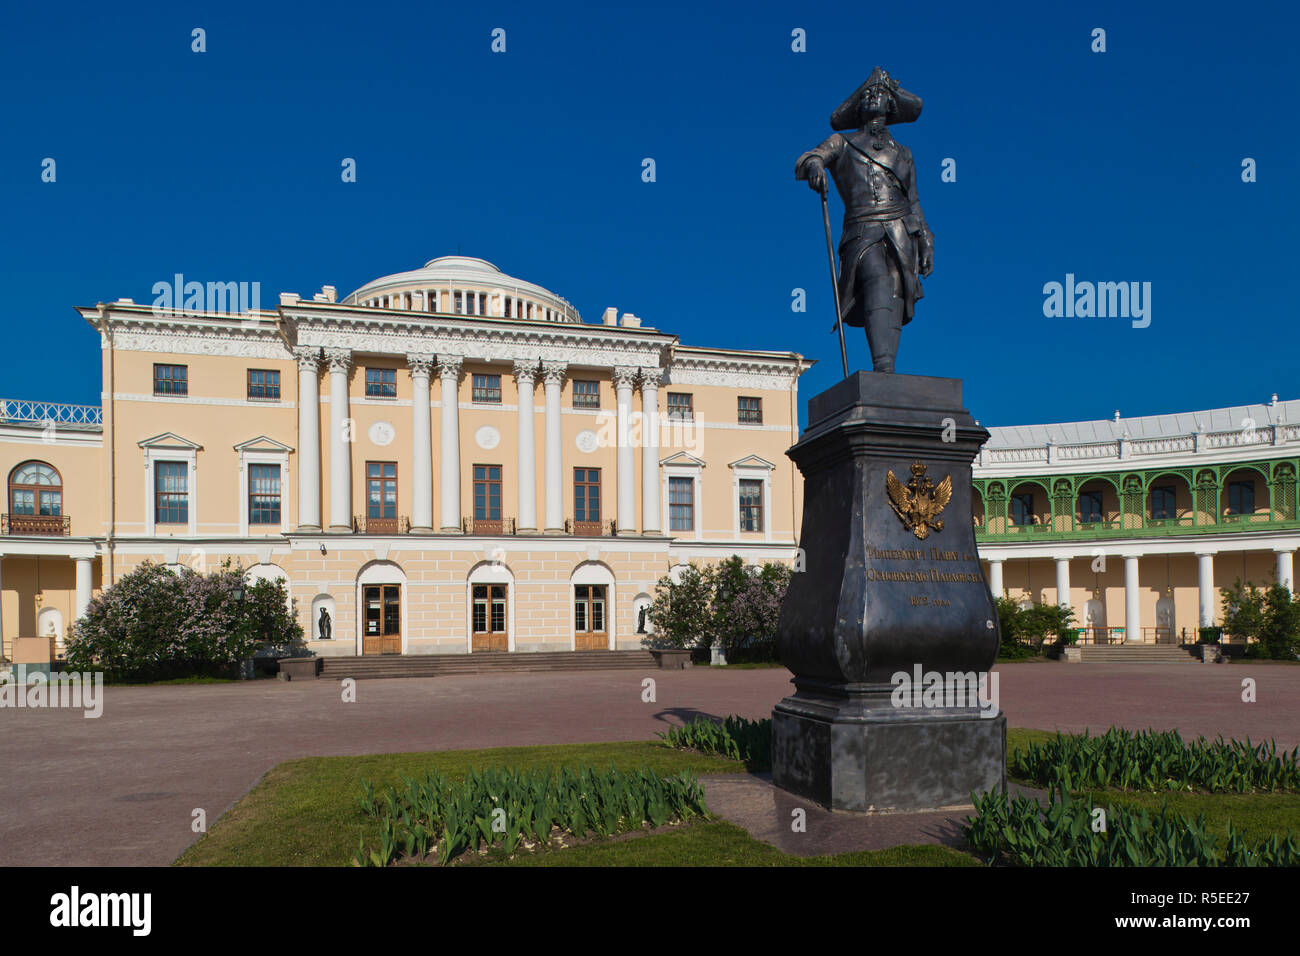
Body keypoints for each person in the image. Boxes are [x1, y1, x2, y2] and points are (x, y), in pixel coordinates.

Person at [796, 67, 934, 373]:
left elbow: (914, 201)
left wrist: (926, 240)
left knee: (897, 288)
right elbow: (808, 158)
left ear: (891, 106)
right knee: (877, 279)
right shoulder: (842, 143)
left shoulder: (904, 153)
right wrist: (816, 167)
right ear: (858, 107)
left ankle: (887, 372)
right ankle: (882, 367)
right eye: (868, 94)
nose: (873, 97)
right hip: (862, 229)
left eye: (881, 94)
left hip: (901, 229)